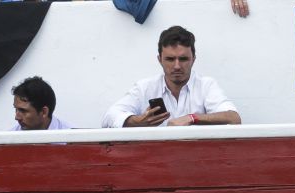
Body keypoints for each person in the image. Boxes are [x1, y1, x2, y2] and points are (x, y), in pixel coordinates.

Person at [101, 25, 242, 128]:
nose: (176, 66)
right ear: (159, 59)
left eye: (183, 59)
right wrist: (138, 121)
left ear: (193, 59)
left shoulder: (206, 85)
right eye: (170, 59)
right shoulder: (145, 87)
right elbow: (109, 117)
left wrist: (192, 118)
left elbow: (233, 118)